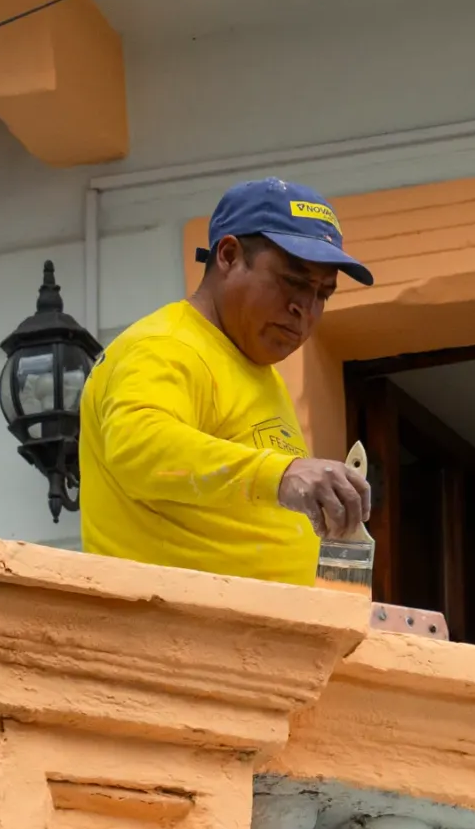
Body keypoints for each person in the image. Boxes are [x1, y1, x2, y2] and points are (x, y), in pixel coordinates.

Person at [79, 178, 375, 585]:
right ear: (229, 255)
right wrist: (283, 474)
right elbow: (136, 447)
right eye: (294, 281)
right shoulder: (165, 345)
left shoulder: (254, 369)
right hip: (178, 620)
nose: (306, 309)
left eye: (323, 294)